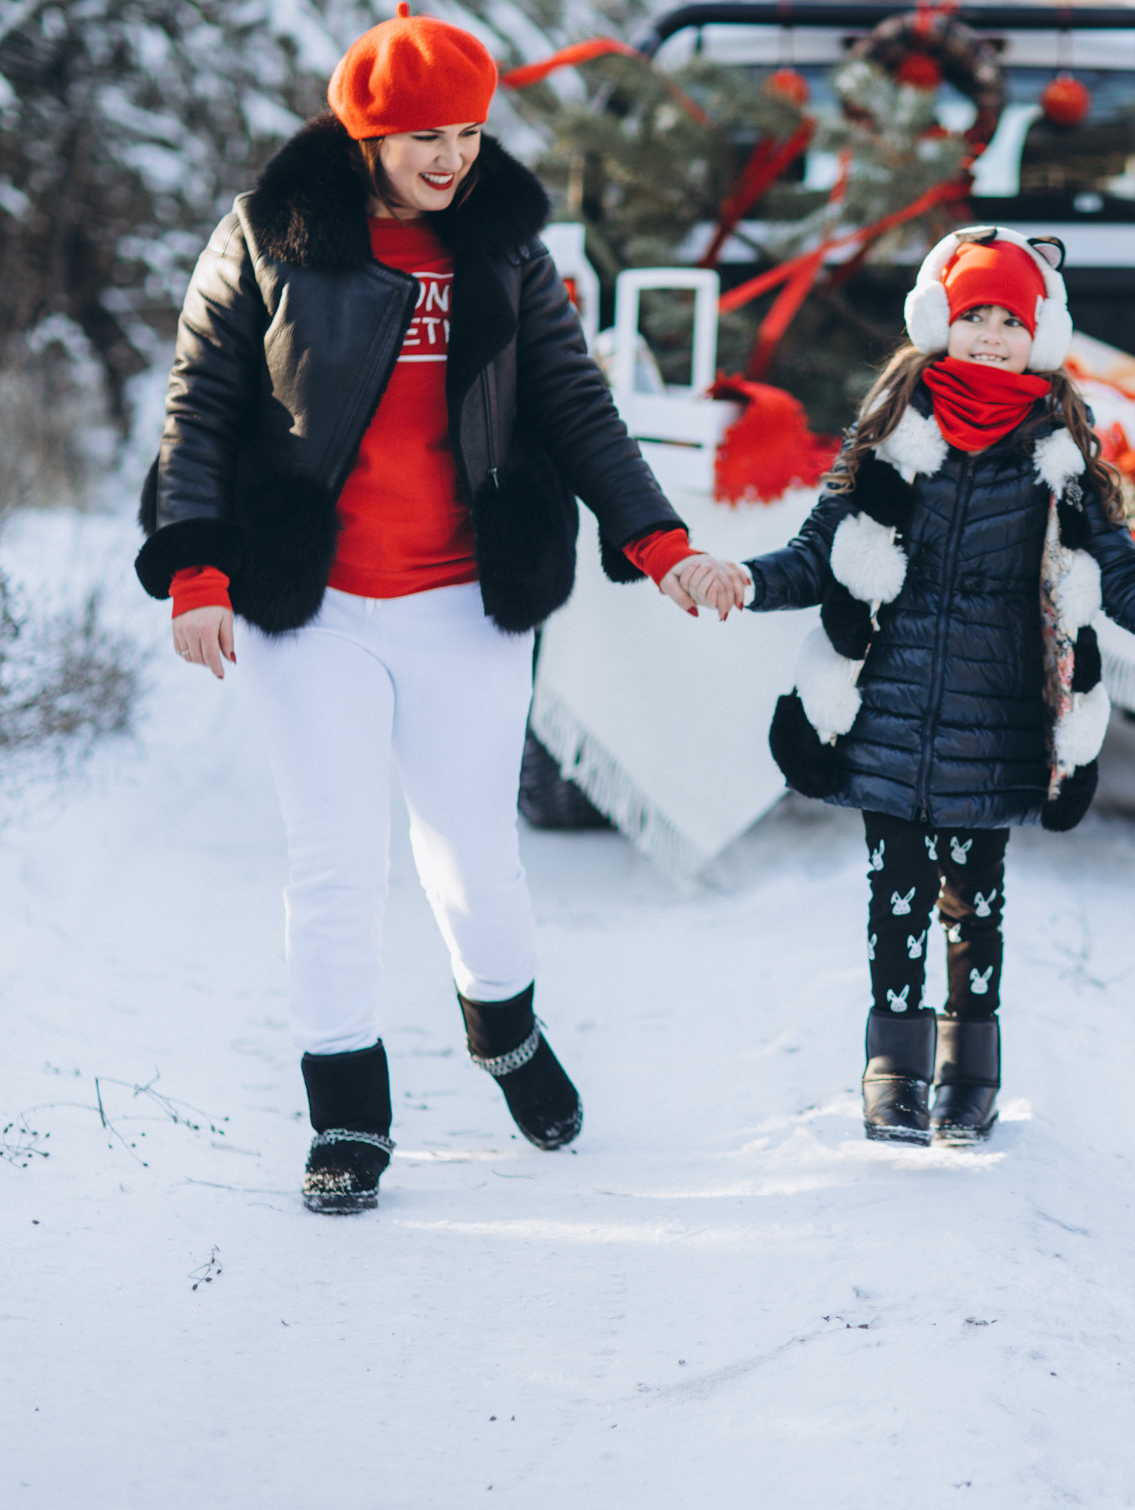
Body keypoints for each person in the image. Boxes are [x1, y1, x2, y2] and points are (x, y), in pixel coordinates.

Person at [133, 4, 739, 1213]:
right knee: (336, 863)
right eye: (424, 136)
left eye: (468, 131)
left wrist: (657, 540)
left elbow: (573, 401)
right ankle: (348, 1118)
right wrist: (196, 567)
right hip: (312, 606)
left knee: (475, 859)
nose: (451, 158)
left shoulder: (505, 244)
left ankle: (502, 1030)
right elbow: (199, 403)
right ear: (367, 128)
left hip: (467, 599)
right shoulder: (273, 232)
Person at [687, 228, 1135, 1144]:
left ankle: (968, 1067)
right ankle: (892, 1065)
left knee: (973, 902)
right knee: (893, 893)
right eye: (973, 313)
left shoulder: (1057, 453)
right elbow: (819, 553)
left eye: (1009, 319)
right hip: (890, 711)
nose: (989, 333)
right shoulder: (892, 432)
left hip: (998, 715)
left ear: (1040, 336)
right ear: (938, 321)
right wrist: (744, 580)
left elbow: (1120, 574)